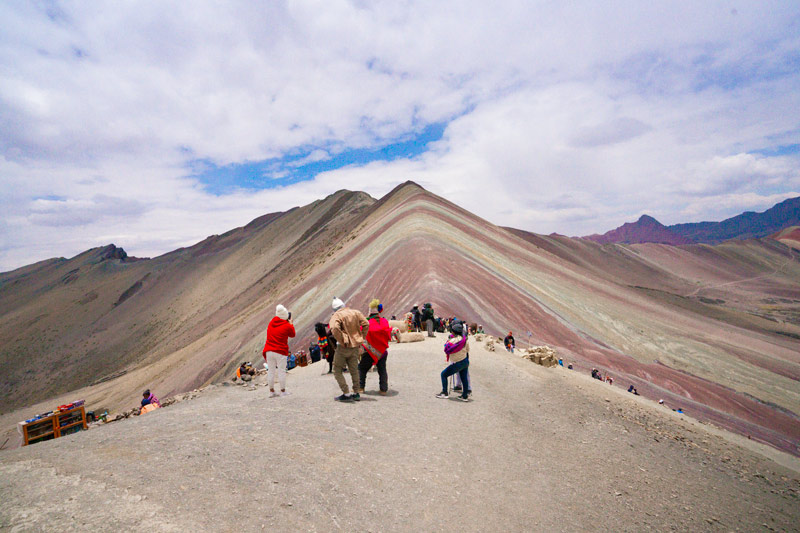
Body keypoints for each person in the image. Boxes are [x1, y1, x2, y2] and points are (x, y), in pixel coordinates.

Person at [330, 297, 369, 402]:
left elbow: (334, 328)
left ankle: (346, 393)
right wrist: (361, 337)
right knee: (354, 370)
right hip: (355, 346)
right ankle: (356, 393)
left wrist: (342, 340)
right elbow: (366, 324)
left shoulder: (336, 316)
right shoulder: (355, 312)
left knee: (337, 370)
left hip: (342, 347)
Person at [359, 299, 392, 395]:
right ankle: (383, 389)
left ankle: (360, 387)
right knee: (382, 370)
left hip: (370, 351)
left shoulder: (367, 323)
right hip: (382, 351)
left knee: (362, 368)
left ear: (370, 312)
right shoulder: (384, 321)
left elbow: (361, 334)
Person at [261, 304, 296, 397]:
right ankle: (283, 391)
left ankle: (271, 391)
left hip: (269, 350)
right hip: (280, 351)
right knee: (281, 371)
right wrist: (291, 323)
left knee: (271, 371)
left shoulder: (271, 322)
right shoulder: (286, 325)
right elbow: (292, 334)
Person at [436, 320, 470, 401]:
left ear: (453, 332)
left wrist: (448, 340)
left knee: (443, 374)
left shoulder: (452, 341)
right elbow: (467, 350)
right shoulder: (465, 340)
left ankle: (444, 392)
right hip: (465, 361)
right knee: (464, 378)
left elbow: (446, 349)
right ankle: (465, 395)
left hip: (457, 363)